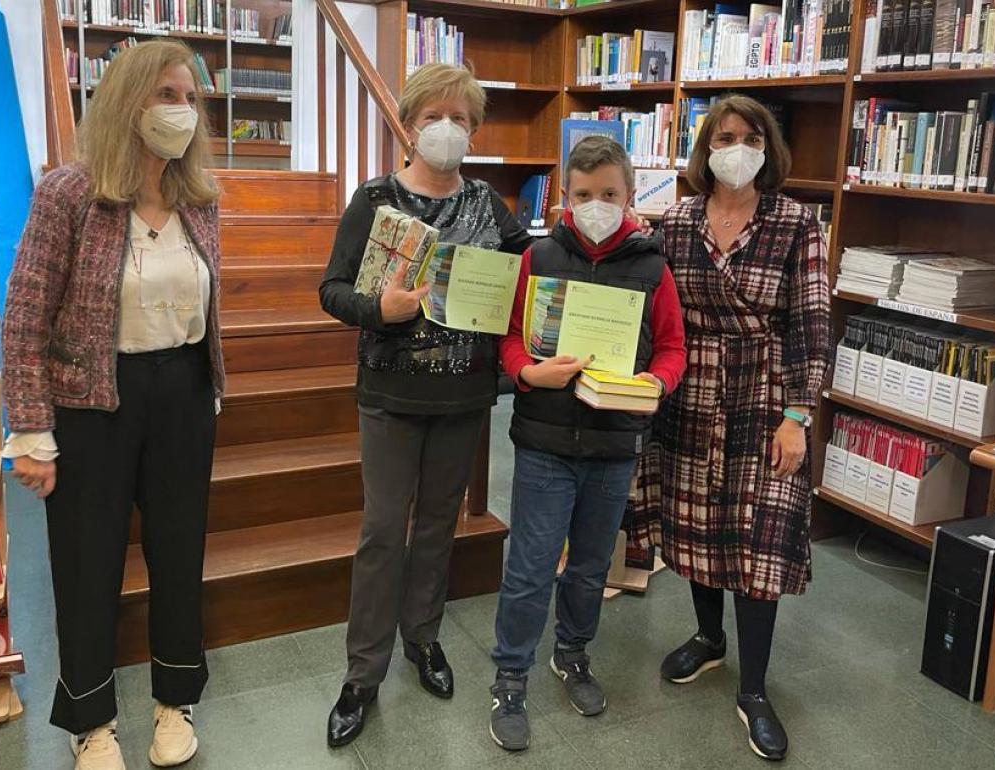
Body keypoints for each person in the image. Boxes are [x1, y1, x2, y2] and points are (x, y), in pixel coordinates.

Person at [1, 40, 225, 770]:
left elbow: (202, 308)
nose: (182, 111)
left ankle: (175, 701)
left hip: (183, 395)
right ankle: (91, 722)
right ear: (129, 101)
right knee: (86, 563)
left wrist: (207, 390)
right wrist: (32, 430)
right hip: (92, 402)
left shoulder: (201, 199)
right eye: (167, 94)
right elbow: (27, 317)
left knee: (179, 552)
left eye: (191, 97)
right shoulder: (70, 194)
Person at [318, 62, 536, 748]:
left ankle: (424, 640)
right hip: (389, 393)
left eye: (463, 117)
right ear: (409, 124)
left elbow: (529, 271)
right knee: (384, 529)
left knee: (439, 524)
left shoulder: (487, 204)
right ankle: (362, 674)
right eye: (436, 116)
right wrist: (376, 308)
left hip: (465, 394)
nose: (449, 128)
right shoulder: (374, 199)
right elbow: (331, 291)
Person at [631, 94, 831, 762]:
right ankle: (710, 639)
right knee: (697, 525)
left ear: (767, 147)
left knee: (759, 540)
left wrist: (798, 416)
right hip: (691, 392)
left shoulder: (796, 221)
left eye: (749, 136)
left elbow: (810, 325)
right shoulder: (679, 219)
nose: (736, 147)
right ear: (704, 148)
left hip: (766, 396)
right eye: (724, 136)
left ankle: (754, 689)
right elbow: (655, 306)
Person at [488, 136, 686, 752]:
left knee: (593, 565)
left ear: (629, 197)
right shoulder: (539, 256)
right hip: (545, 440)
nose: (595, 205)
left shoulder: (653, 268)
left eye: (609, 194)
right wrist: (526, 371)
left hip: (613, 443)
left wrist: (657, 381)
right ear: (564, 196)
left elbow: (674, 347)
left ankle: (571, 654)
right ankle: (511, 675)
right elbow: (513, 336)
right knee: (529, 567)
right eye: (582, 195)